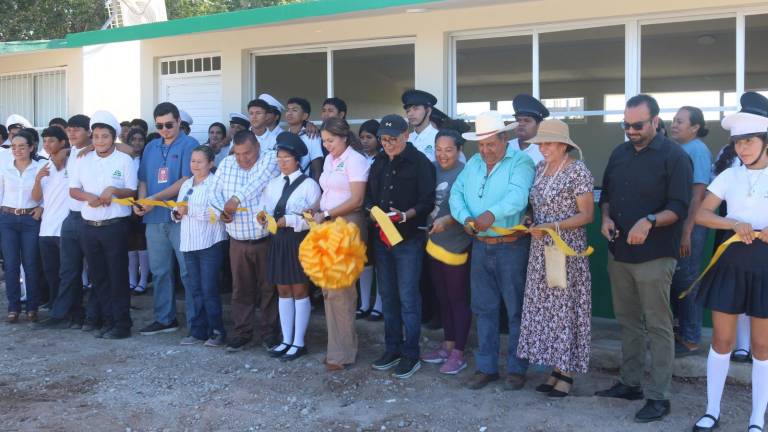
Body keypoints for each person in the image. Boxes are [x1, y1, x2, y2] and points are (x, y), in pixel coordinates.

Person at [595, 94, 692, 423]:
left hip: (655, 255)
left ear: (655, 121)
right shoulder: (619, 152)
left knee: (658, 325)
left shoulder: (675, 156)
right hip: (619, 251)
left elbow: (679, 207)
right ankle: (630, 383)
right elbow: (607, 195)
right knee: (628, 321)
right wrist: (605, 218)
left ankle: (659, 397)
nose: (631, 131)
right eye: (626, 125)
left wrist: (649, 221)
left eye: (637, 125)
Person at [689, 101, 768, 432]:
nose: (742, 148)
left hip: (765, 266)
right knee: (722, 341)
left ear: (765, 141)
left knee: (762, 347)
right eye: (738, 142)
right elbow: (701, 214)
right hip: (731, 262)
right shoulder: (729, 175)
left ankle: (756, 419)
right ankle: (712, 410)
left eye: (749, 141)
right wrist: (732, 223)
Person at [449, 111, 535, 391]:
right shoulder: (474, 162)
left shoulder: (521, 162)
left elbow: (518, 197)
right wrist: (465, 218)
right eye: (481, 144)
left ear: (505, 138)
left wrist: (491, 214)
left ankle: (517, 369)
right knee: (484, 308)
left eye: (491, 144)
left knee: (516, 310)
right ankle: (486, 367)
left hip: (511, 246)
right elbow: (456, 194)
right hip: (480, 244)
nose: (485, 150)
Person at [516, 119, 594, 397]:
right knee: (546, 309)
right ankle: (555, 369)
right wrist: (529, 219)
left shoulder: (577, 171)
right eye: (541, 143)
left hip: (565, 249)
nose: (543, 148)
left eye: (548, 143)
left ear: (563, 145)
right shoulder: (540, 168)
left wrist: (553, 226)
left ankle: (567, 372)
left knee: (565, 308)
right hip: (541, 249)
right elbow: (534, 205)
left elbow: (587, 215)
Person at [367, 114, 436, 379]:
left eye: (392, 139)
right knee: (388, 295)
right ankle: (392, 348)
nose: (387, 144)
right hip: (382, 238)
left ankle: (411, 353)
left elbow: (427, 201)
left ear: (405, 135)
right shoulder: (378, 162)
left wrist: (407, 214)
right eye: (383, 140)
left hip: (408, 239)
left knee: (408, 297)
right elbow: (370, 197)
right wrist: (373, 211)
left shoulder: (420, 163)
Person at [69, 110, 137, 339]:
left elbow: (132, 191)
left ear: (113, 137)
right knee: (98, 277)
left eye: (105, 136)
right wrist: (88, 197)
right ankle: (107, 321)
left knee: (117, 277)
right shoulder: (83, 160)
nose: (100, 141)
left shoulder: (124, 160)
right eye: (96, 136)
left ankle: (122, 325)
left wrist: (114, 190)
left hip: (114, 227)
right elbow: (73, 190)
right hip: (89, 226)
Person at [211, 130, 280, 352]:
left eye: (247, 153)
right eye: (238, 153)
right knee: (241, 289)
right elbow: (214, 192)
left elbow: (258, 183)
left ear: (257, 147)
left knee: (269, 288)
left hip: (264, 239)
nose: (242, 158)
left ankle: (270, 333)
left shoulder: (269, 158)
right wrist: (221, 211)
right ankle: (243, 333)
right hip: (237, 240)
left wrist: (235, 199)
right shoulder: (227, 163)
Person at [134, 102, 197, 336]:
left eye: (169, 125)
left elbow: (186, 180)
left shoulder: (190, 145)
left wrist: (153, 198)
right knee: (160, 271)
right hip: (154, 219)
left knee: (187, 272)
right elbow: (143, 179)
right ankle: (164, 318)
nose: (164, 130)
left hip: (181, 218)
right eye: (159, 126)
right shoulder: (151, 147)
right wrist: (142, 201)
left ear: (179, 121)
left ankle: (196, 321)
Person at [311, 118, 369, 370]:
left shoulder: (355, 160)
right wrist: (315, 208)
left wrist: (326, 213)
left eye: (331, 140)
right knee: (329, 290)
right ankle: (335, 348)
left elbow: (357, 200)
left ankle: (343, 353)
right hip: (328, 224)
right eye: (324, 141)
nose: (327, 145)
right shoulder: (329, 160)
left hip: (347, 224)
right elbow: (327, 192)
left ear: (344, 137)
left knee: (341, 291)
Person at [261, 132, 320, 361]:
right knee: (283, 290)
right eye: (279, 158)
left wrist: (291, 220)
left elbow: (313, 219)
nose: (282, 162)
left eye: (287, 158)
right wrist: (263, 218)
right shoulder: (273, 184)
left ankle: (299, 342)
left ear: (297, 160)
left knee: (299, 290)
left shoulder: (309, 185)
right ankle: (286, 339)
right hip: (277, 241)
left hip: (299, 240)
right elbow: (264, 208)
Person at [420, 120, 472, 375]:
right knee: (442, 297)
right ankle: (448, 344)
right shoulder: (430, 170)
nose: (442, 155)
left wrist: (450, 220)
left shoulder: (467, 173)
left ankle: (459, 352)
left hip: (457, 245)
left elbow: (472, 210)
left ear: (459, 150)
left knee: (457, 299)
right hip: (433, 244)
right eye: (438, 149)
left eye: (449, 150)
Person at [669, 106, 713, 357]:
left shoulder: (698, 150)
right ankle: (679, 331)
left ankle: (691, 338)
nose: (674, 125)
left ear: (695, 127)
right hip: (676, 225)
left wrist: (687, 231)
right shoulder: (677, 149)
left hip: (691, 225)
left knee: (688, 280)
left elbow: (698, 196)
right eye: (674, 120)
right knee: (675, 279)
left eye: (680, 121)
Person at [174, 145, 228, 347]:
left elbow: (218, 213)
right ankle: (198, 331)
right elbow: (178, 209)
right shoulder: (186, 184)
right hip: (189, 243)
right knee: (195, 288)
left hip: (209, 243)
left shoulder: (216, 183)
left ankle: (217, 331)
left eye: (200, 161)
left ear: (211, 163)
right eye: (193, 161)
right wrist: (177, 213)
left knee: (209, 288)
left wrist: (191, 211)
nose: (195, 165)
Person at [1, 129, 43, 323]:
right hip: (7, 219)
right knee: (10, 265)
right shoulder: (4, 168)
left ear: (31, 147)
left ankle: (32, 306)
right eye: (14, 147)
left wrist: (42, 207)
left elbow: (49, 191)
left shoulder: (40, 167)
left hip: (30, 220)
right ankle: (13, 307)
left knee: (31, 263)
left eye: (22, 146)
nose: (17, 150)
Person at [32, 127, 70, 322]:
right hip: (46, 229)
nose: (47, 144)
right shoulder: (44, 166)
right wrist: (38, 179)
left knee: (67, 273)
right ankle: (55, 306)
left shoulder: (73, 162)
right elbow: (36, 198)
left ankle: (67, 311)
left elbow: (83, 149)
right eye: (45, 141)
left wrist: (67, 152)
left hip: (65, 229)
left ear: (62, 142)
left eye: (51, 140)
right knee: (51, 272)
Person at [356, 119, 383, 321]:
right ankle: (364, 303)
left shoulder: (383, 159)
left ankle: (379, 304)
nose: (365, 141)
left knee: (380, 262)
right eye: (362, 137)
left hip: (378, 215)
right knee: (365, 261)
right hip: (360, 215)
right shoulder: (357, 158)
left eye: (369, 137)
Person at [124, 128, 149, 295]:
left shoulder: (147, 159)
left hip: (142, 204)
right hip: (126, 204)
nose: (137, 143)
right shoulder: (124, 158)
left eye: (140, 139)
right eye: (134, 139)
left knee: (142, 243)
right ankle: (132, 279)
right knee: (130, 244)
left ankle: (143, 279)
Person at [284, 97, 323, 179]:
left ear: (305, 116)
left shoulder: (312, 136)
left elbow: (317, 169)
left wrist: (315, 186)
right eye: (288, 110)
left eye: (294, 110)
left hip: (304, 182)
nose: (289, 113)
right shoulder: (283, 136)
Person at [508, 94, 548, 166]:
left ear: (539, 125)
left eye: (527, 120)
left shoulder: (545, 150)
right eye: (518, 120)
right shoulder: (506, 147)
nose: (521, 124)